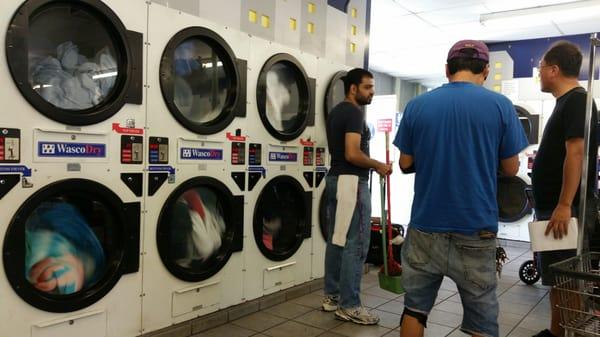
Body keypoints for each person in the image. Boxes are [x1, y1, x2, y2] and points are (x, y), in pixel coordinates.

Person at [394, 40, 528, 337]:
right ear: (485, 71)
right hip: (475, 228)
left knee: (414, 308)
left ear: (447, 70)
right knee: (482, 319)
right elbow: (511, 168)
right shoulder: (501, 106)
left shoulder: (418, 105)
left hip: (425, 226)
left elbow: (405, 163)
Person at [531, 41, 598, 337]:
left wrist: (564, 204)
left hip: (563, 209)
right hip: (554, 207)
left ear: (554, 70)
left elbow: (577, 153)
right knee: (558, 278)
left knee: (568, 279)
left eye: (541, 68)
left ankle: (568, 334)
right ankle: (556, 332)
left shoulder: (577, 101)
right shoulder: (567, 102)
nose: (538, 73)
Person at [322, 68, 392, 325]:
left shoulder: (337, 111)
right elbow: (352, 154)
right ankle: (349, 305)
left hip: (336, 180)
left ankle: (332, 296)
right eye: (368, 87)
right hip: (351, 182)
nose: (372, 92)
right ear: (353, 89)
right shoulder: (353, 112)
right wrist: (378, 165)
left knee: (337, 239)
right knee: (356, 244)